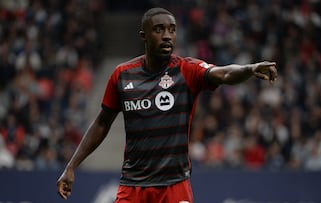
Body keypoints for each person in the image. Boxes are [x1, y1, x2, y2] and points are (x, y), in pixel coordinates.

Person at [56, 7, 277, 203]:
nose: (167, 36)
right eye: (159, 29)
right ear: (144, 36)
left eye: (172, 30)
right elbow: (102, 123)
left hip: (174, 186)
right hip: (133, 186)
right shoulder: (122, 75)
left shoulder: (187, 70)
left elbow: (223, 73)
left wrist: (249, 69)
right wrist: (71, 166)